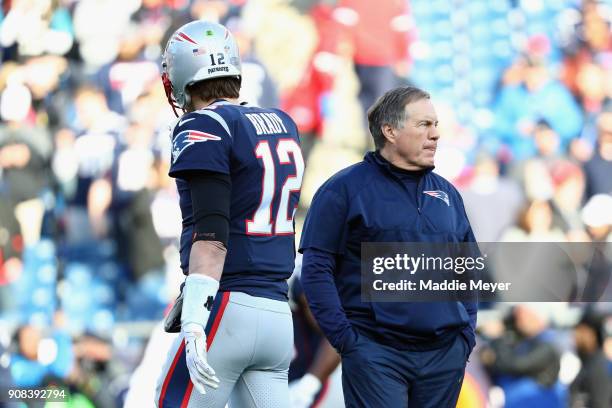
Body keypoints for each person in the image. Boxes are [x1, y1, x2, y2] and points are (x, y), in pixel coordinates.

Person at [155, 20, 304, 407]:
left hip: (228, 305)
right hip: (276, 313)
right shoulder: (281, 122)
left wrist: (193, 320)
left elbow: (211, 233)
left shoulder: (203, 125)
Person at [299, 86, 477, 407]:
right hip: (377, 355)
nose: (435, 134)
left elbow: (466, 270)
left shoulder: (449, 194)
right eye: (424, 125)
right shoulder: (343, 190)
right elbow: (316, 270)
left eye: (435, 125)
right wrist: (347, 341)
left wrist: (465, 337)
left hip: (443, 357)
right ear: (390, 131)